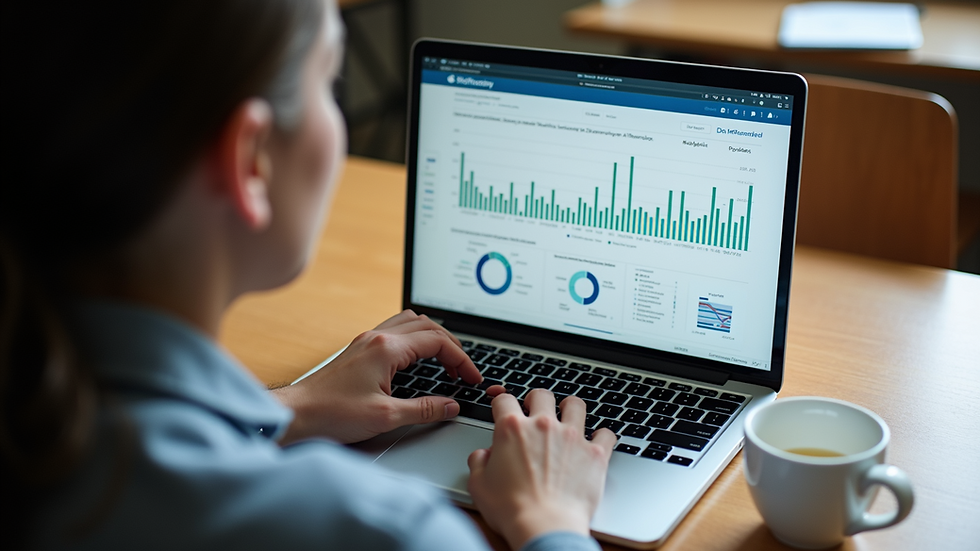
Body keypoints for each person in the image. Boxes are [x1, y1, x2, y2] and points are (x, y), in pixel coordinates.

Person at [0, 1, 617, 549]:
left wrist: (288, 408)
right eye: (330, 79)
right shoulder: (381, 530)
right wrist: (550, 521)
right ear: (251, 161)